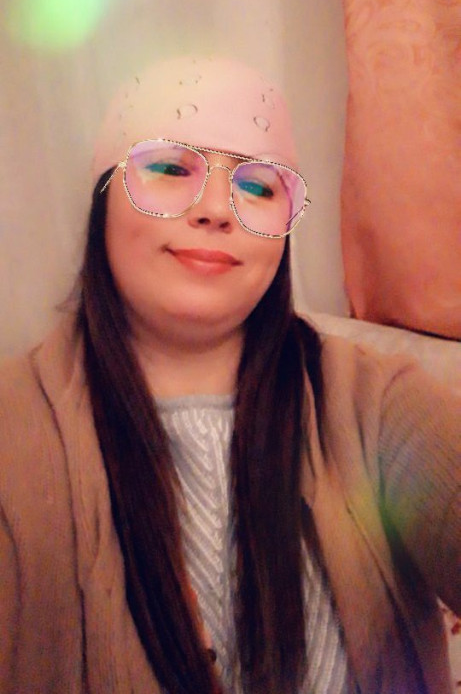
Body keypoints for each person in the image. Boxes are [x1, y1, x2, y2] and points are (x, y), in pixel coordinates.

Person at [0, 56, 459, 694]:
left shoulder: (377, 402)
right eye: (169, 169)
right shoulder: (13, 430)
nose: (218, 209)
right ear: (103, 202)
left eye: (259, 186)